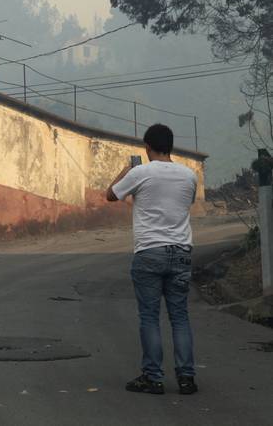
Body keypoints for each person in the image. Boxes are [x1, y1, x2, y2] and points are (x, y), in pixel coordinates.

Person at [106, 123, 199, 396]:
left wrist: (127, 170)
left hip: (149, 252)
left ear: (147, 147)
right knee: (179, 317)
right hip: (181, 251)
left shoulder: (141, 172)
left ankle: (153, 377)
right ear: (171, 146)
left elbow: (110, 195)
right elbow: (186, 203)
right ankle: (186, 378)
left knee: (149, 317)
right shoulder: (189, 175)